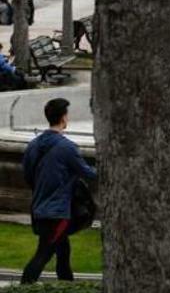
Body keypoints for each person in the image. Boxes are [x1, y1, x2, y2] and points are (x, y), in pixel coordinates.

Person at [21, 99, 97, 284]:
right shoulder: (67, 148)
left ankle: (67, 285)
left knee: (63, 253)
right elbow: (89, 174)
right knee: (43, 254)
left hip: (39, 208)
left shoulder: (33, 145)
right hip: (57, 213)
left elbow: (28, 175)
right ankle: (24, 287)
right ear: (64, 118)